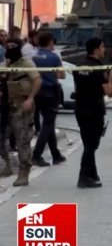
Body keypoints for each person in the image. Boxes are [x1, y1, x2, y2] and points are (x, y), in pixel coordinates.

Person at [73, 37, 112, 188]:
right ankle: (83, 178)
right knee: (91, 145)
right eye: (103, 47)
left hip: (80, 109)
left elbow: (77, 87)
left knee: (87, 144)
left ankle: (92, 173)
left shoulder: (79, 66)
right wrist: (111, 77)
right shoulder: (98, 67)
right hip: (94, 109)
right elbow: (109, 91)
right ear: (96, 49)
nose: (104, 50)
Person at [3, 39, 42, 186]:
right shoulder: (8, 64)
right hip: (9, 106)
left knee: (23, 140)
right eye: (8, 47)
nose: (10, 49)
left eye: (13, 46)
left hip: (22, 106)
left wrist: (30, 99)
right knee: (3, 138)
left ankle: (24, 172)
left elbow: (37, 80)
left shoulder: (26, 63)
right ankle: (7, 165)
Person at [31, 32, 66, 167]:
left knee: (48, 123)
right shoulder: (54, 57)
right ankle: (36, 155)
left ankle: (55, 154)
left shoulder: (33, 56)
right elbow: (62, 75)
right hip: (51, 92)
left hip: (37, 92)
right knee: (48, 124)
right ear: (50, 42)